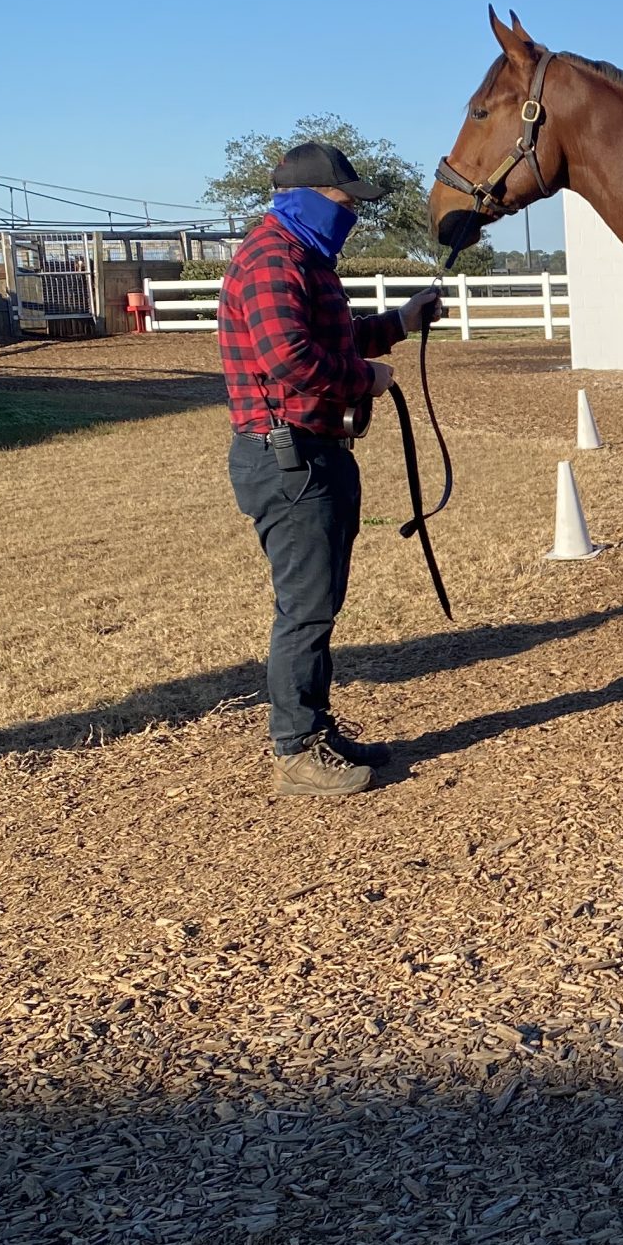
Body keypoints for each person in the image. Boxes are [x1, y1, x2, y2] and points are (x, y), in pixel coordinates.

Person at [219, 141, 440, 796]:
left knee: (317, 605)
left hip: (312, 456)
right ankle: (296, 750)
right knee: (306, 611)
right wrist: (363, 378)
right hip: (289, 461)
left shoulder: (304, 259)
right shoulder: (271, 261)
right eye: (346, 203)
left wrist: (399, 322)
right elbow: (290, 359)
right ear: (309, 198)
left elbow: (328, 339)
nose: (353, 216)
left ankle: (313, 729)